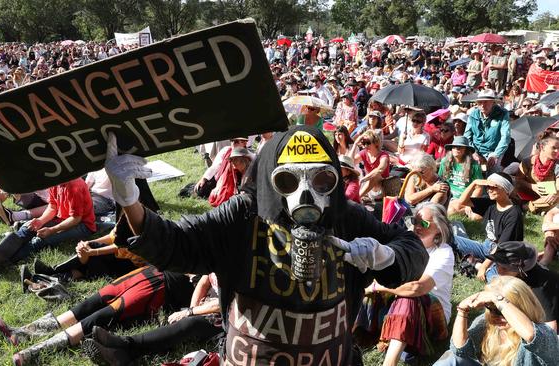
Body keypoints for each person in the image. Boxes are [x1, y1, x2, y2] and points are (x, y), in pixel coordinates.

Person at [104, 126, 428, 365]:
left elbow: (413, 251)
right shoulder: (245, 215)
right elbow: (178, 244)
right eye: (288, 181)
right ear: (271, 181)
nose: (306, 197)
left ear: (334, 182)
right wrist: (130, 198)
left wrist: (384, 255)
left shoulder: (347, 218)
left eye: (321, 181)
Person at [0, 266, 194, 365]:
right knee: (89, 303)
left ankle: (32, 353)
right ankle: (21, 333)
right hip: (151, 271)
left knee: (100, 316)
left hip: (161, 289)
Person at [356, 203, 455, 366]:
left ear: (439, 228)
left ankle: (390, 363)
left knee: (408, 298)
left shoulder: (444, 253)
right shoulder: (407, 242)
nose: (416, 226)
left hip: (433, 319)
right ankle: (355, 339)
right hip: (402, 312)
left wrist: (377, 286)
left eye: (423, 223)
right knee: (369, 295)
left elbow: (417, 288)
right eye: (414, 221)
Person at [83, 273, 223, 366]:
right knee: (177, 321)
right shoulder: (218, 253)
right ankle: (123, 353)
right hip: (207, 307)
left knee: (190, 323)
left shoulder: (240, 265)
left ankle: (123, 345)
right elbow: (204, 281)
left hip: (229, 320)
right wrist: (193, 307)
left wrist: (190, 312)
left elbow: (224, 304)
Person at [0, 178, 97, 274]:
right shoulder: (54, 181)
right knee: (27, 228)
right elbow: (52, 206)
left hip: (83, 225)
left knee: (39, 240)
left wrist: (52, 230)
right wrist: (40, 221)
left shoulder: (74, 185)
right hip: (62, 219)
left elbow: (75, 219)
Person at [433, 275, 558, 366]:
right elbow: (459, 351)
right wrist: (462, 310)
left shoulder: (545, 334)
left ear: (522, 308)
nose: (496, 315)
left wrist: (497, 298)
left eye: (502, 310)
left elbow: (531, 335)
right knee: (451, 359)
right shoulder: (487, 323)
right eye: (491, 308)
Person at [453, 173, 524, 282]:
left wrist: (484, 267)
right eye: (488, 187)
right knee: (450, 238)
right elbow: (462, 202)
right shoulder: (491, 203)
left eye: (494, 187)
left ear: (506, 190)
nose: (489, 190)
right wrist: (474, 183)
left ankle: (477, 264)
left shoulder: (514, 213)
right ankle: (477, 264)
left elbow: (501, 247)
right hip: (486, 247)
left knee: (496, 282)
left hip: (503, 257)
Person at [483, 241, 559, 331]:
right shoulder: (516, 276)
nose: (499, 271)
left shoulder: (540, 285)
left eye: (504, 268)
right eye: (497, 265)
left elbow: (550, 326)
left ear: (520, 269)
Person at [463, 89, 511, 175]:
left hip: (493, 151)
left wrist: (496, 154)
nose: (482, 105)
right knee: (469, 172)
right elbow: (467, 136)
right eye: (480, 102)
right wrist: (473, 152)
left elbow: (505, 136)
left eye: (486, 102)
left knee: (493, 175)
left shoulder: (503, 114)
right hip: (475, 150)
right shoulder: (473, 114)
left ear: (493, 102)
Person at [440, 136, 484, 216]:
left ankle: (470, 209)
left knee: (450, 211)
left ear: (466, 151)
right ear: (451, 149)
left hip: (465, 196)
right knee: (445, 210)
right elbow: (440, 180)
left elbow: (479, 188)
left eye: (460, 147)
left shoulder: (474, 165)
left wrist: (470, 202)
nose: (457, 149)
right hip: (449, 195)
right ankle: (468, 211)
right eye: (454, 147)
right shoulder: (444, 162)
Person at [515, 136, 559, 214]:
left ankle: (527, 207)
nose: (557, 151)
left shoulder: (557, 164)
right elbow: (518, 180)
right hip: (527, 193)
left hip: (548, 196)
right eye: (554, 148)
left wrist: (555, 193)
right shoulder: (527, 162)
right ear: (542, 147)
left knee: (556, 198)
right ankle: (543, 209)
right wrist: (532, 186)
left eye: (558, 148)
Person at [354, 130, 390, 201]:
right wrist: (355, 144)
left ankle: (356, 198)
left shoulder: (384, 155)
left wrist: (363, 179)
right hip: (369, 189)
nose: (365, 146)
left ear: (376, 143)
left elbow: (380, 169)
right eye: (363, 143)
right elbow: (350, 162)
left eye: (368, 143)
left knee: (376, 175)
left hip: (382, 190)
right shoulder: (364, 153)